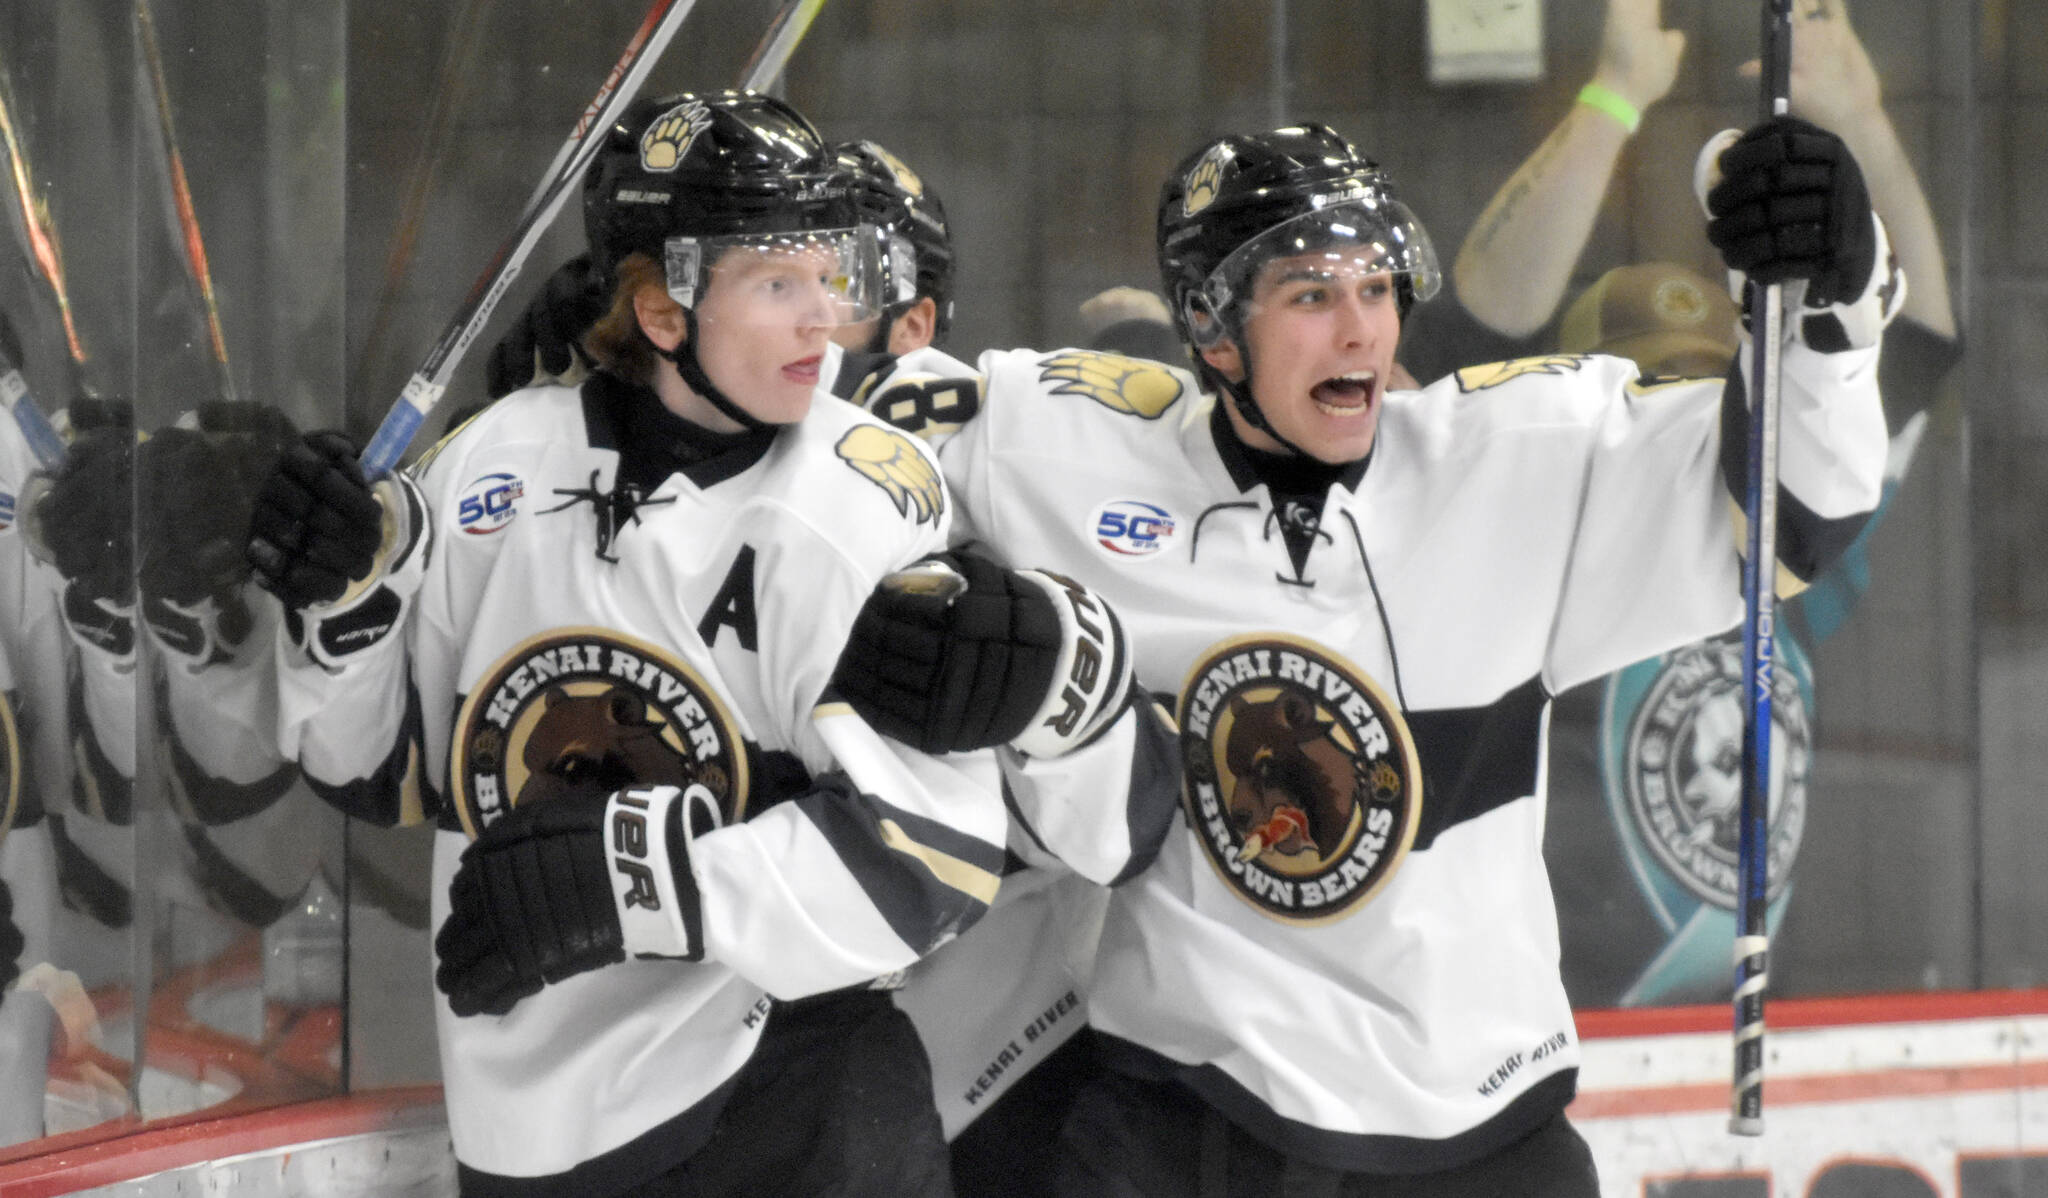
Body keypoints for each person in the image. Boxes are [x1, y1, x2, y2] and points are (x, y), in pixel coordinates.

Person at [828, 112, 1901, 1194]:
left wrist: (1827, 301)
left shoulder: (1521, 463)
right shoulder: (1056, 447)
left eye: (1375, 288)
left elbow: (1796, 509)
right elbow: (829, 450)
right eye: (1309, 294)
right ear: (1207, 324)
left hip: (1481, 1127)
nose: (1358, 331)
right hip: (1192, 1122)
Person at [246, 90, 1030, 1197]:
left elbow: (933, 858)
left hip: (789, 1095)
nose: (824, 320)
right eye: (776, 282)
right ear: (662, 314)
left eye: (831, 272)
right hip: (528, 1114)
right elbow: (375, 764)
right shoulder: (490, 464)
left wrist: (639, 880)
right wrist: (339, 602)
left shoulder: (866, 497)